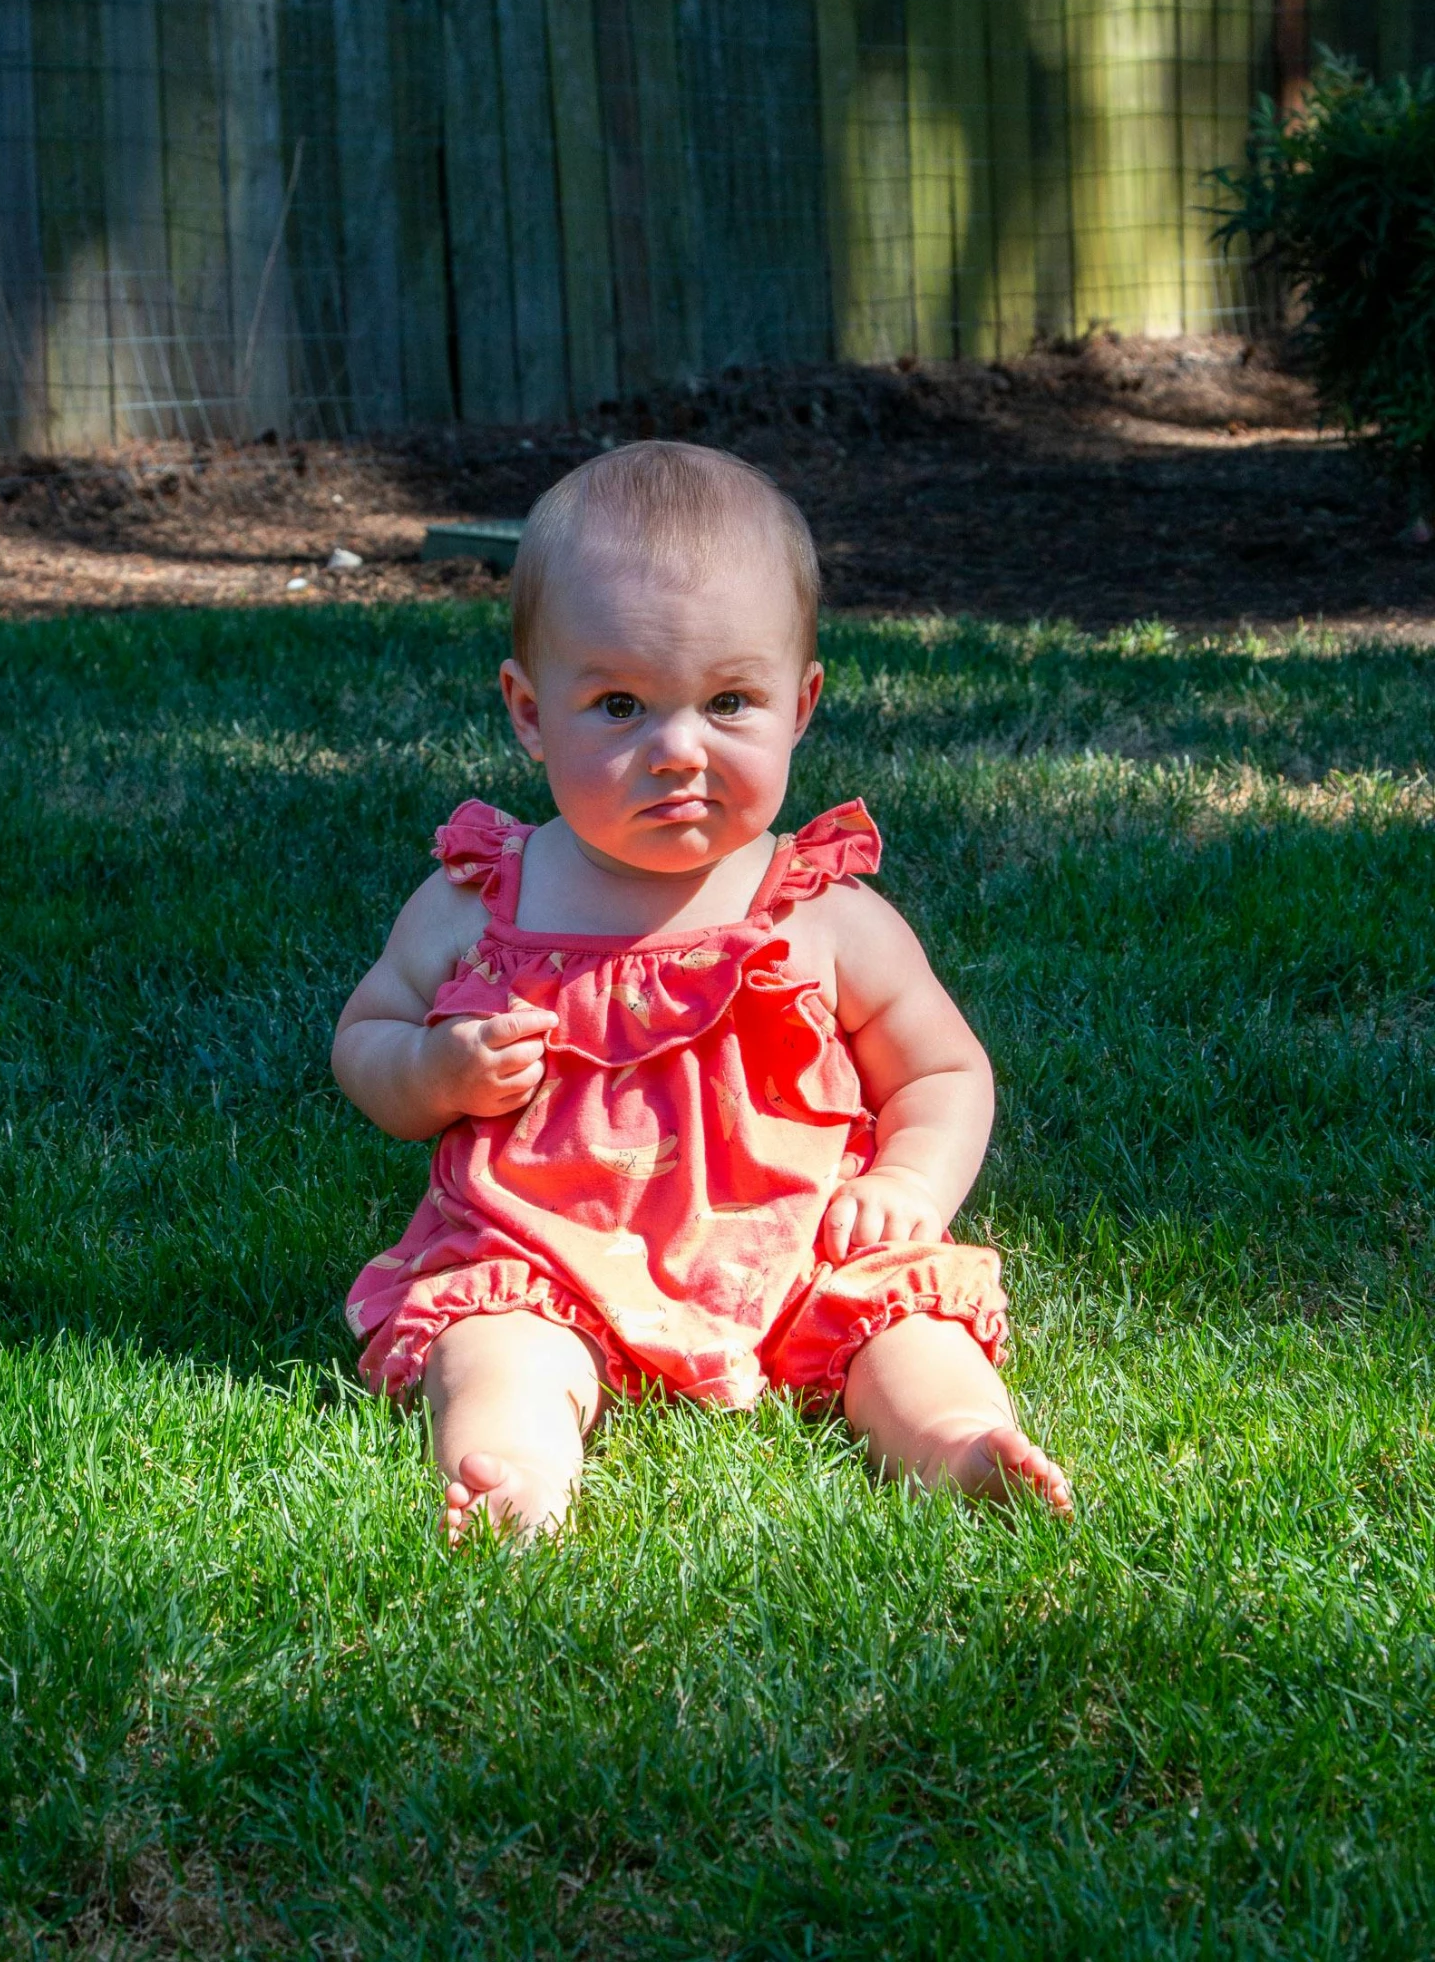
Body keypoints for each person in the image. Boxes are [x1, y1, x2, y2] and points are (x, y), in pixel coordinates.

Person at [334, 441, 1070, 1540]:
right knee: (497, 1341)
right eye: (621, 704)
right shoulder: (480, 898)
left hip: (795, 1240)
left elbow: (945, 1067)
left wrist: (910, 1184)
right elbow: (367, 1036)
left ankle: (957, 1439)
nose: (679, 750)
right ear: (530, 713)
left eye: (729, 701)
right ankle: (519, 1469)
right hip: (548, 1245)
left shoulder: (817, 912)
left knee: (904, 1327)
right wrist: (434, 1069)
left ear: (801, 703)